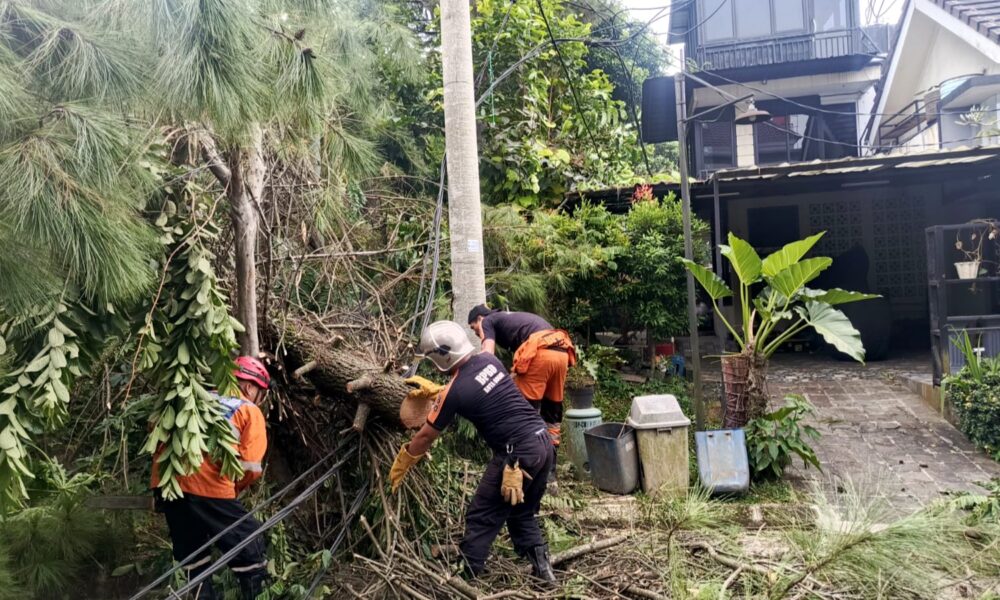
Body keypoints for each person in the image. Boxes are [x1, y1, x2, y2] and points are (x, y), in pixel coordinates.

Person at [390, 321, 557, 582]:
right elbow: (477, 383)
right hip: (542, 443)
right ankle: (545, 574)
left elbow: (425, 436)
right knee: (521, 513)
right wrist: (442, 392)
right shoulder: (490, 361)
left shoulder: (455, 392)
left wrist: (404, 460)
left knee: (482, 515)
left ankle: (465, 578)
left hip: (516, 456)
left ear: (440, 359)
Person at [151, 356, 271, 600]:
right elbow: (250, 466)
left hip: (169, 486)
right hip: (209, 487)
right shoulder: (248, 409)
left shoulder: (193, 398)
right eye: (261, 392)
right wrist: (231, 490)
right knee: (250, 547)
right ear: (250, 387)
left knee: (194, 558)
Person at [467, 306, 575, 472]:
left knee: (523, 415)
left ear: (480, 319)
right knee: (551, 412)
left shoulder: (488, 321)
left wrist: (473, 375)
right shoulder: (512, 319)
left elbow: (488, 354)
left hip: (538, 351)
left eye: (473, 327)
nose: (475, 332)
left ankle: (524, 468)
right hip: (561, 352)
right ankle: (550, 474)